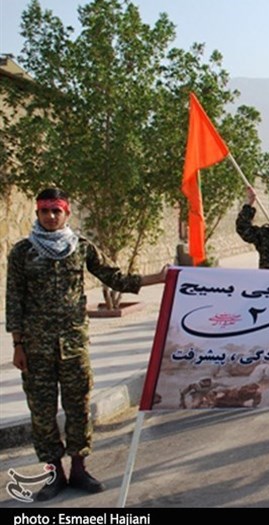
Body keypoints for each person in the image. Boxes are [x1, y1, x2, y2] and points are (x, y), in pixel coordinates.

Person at [6, 187, 168, 501]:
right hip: (36, 348)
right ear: (37, 213)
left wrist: (157, 278)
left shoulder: (79, 247)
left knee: (78, 407)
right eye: (44, 211)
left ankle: (79, 469)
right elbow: (14, 299)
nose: (50, 216)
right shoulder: (23, 252)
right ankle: (54, 474)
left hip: (73, 345)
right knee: (41, 412)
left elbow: (115, 278)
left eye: (56, 210)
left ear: (66, 213)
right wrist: (17, 344)